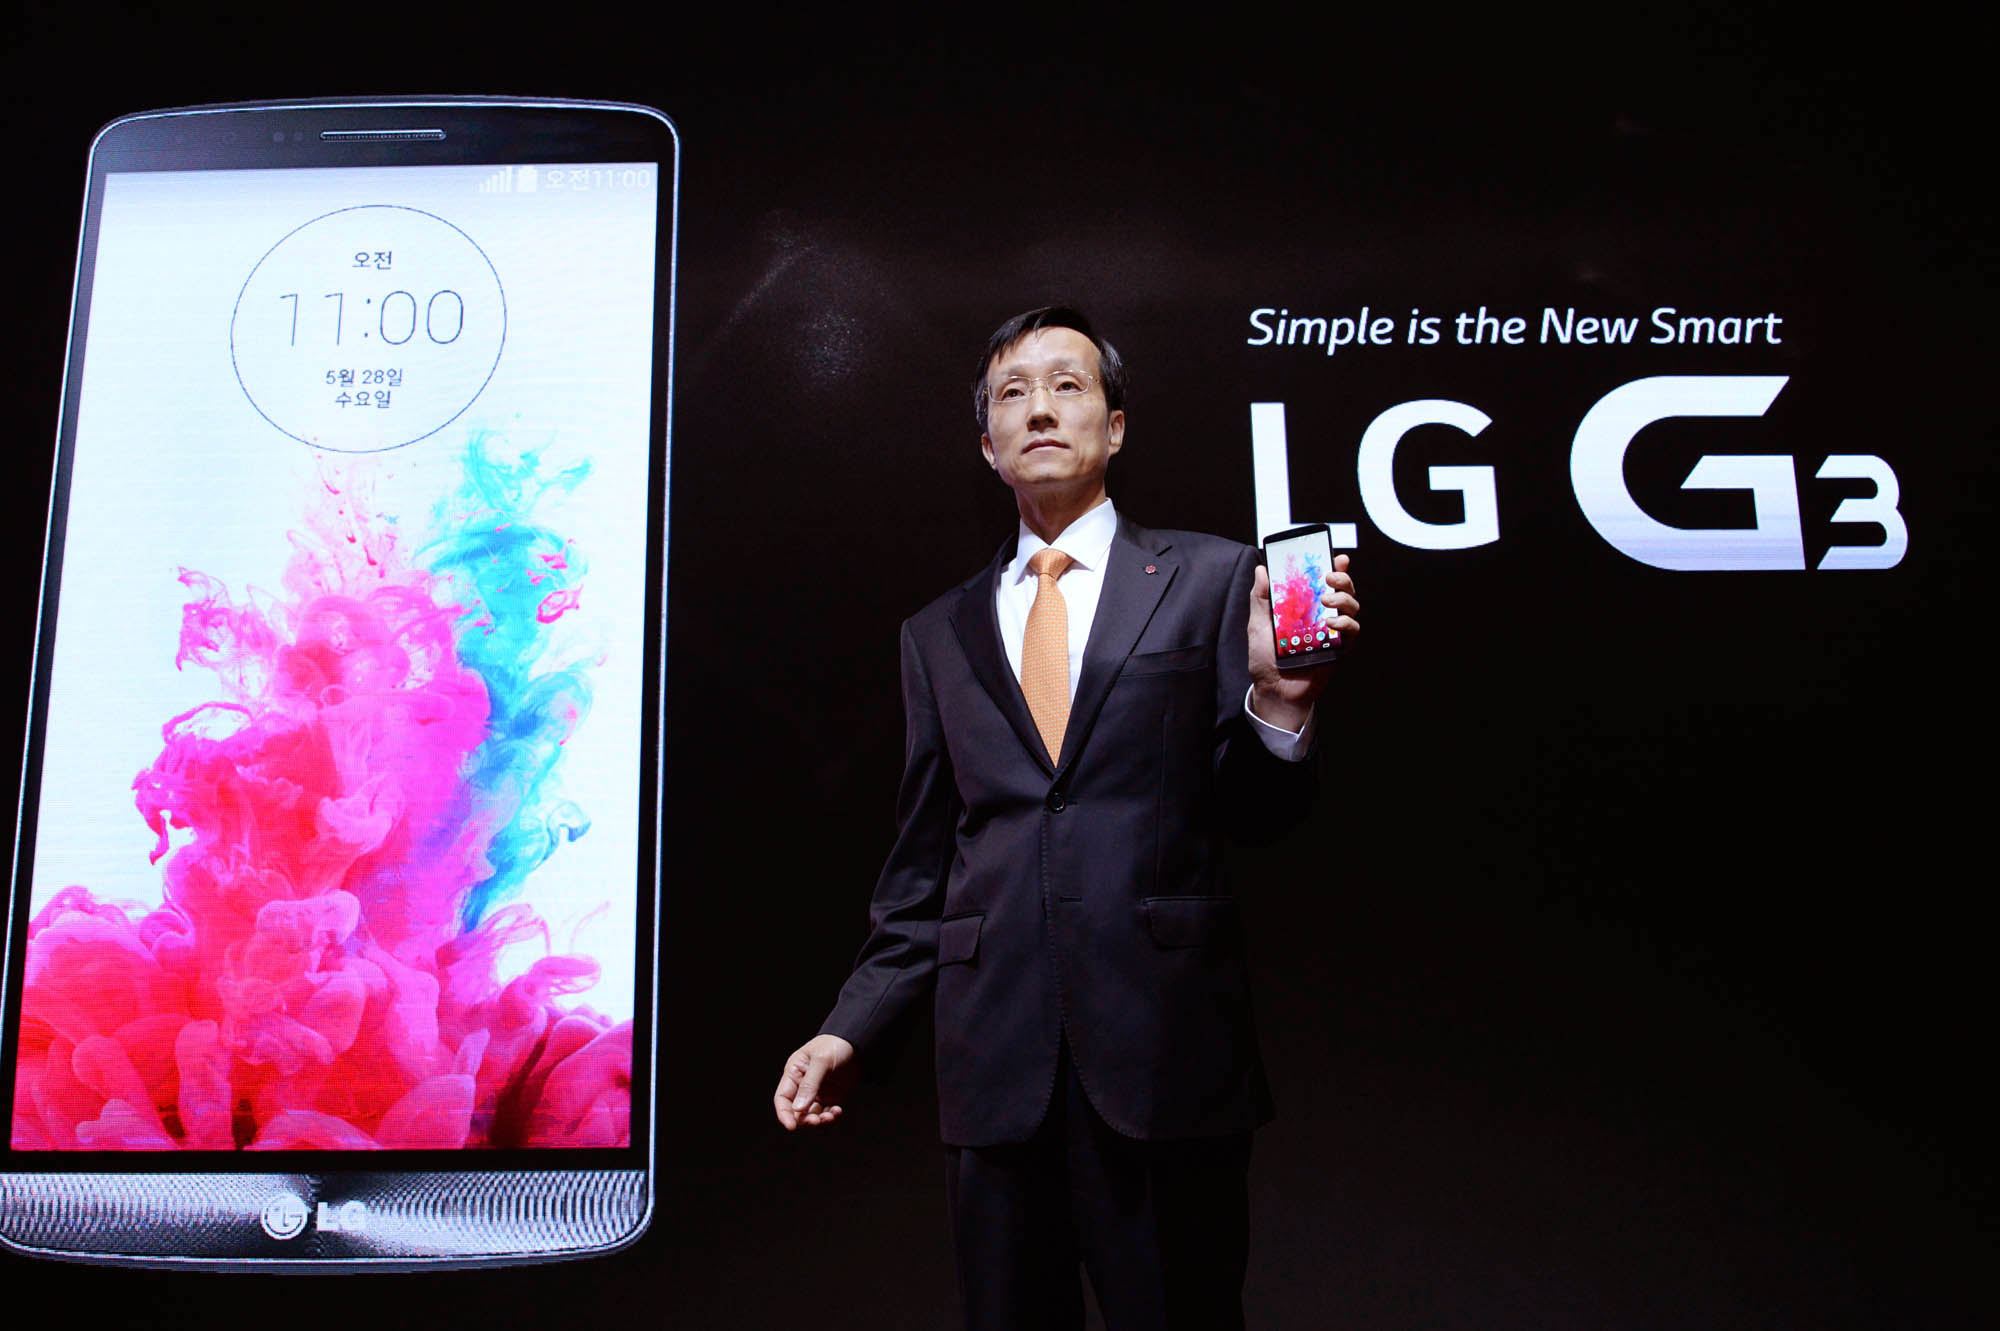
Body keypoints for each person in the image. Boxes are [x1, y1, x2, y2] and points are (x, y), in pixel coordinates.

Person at [772, 306, 1359, 1330]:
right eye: (1013, 393)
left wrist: (1280, 701)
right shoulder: (935, 633)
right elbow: (922, 874)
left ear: (1114, 427)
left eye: (1067, 385)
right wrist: (846, 1026)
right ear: (987, 446)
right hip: (993, 1072)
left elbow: (1262, 821)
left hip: (1167, 1060)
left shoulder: (1215, 579)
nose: (1039, 407)